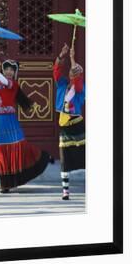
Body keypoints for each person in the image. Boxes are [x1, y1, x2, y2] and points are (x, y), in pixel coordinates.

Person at [0, 56, 53, 193]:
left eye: (11, 70)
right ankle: (6, 183)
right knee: (2, 150)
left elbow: (4, 80)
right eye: (6, 69)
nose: (8, 72)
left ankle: (42, 157)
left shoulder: (13, 85)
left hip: (9, 120)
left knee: (18, 146)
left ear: (15, 73)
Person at [53, 43, 85, 200]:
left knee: (85, 156)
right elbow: (57, 71)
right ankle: (65, 191)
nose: (73, 74)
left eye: (76, 72)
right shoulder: (62, 84)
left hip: (77, 126)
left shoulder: (80, 89)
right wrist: (62, 55)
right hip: (64, 127)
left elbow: (78, 83)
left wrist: (73, 59)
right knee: (64, 159)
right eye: (72, 72)